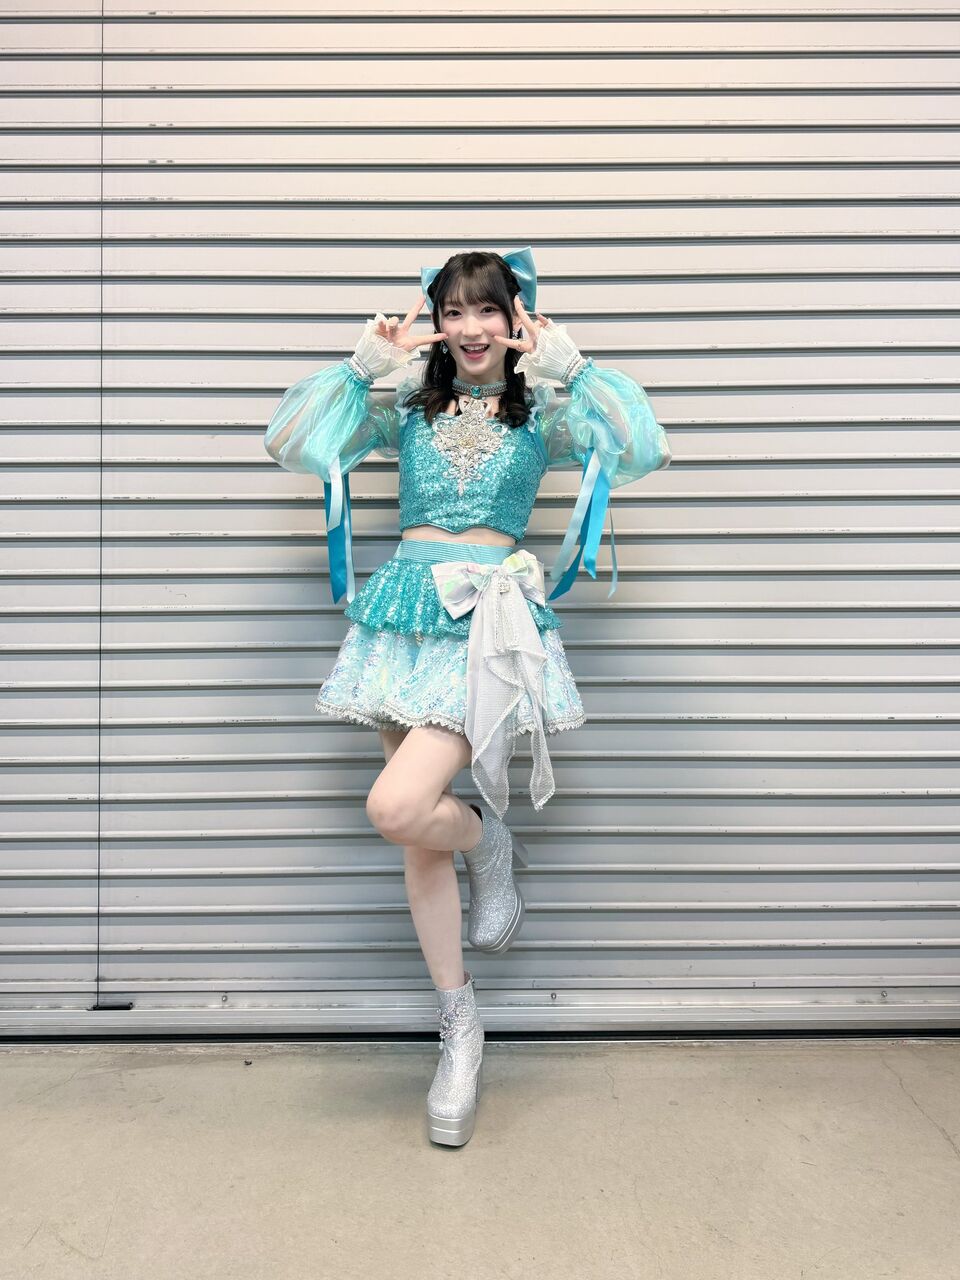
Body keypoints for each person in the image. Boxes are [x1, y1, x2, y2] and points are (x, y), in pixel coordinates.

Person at [263, 246, 671, 1147]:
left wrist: (578, 370)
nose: (471, 327)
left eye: (489, 309)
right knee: (415, 835)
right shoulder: (407, 406)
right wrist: (357, 370)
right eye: (454, 310)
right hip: (403, 617)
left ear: (517, 320)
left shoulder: (546, 414)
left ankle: (488, 840)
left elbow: (643, 448)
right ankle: (460, 1026)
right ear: (438, 322)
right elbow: (290, 442)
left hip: (488, 621)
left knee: (397, 805)